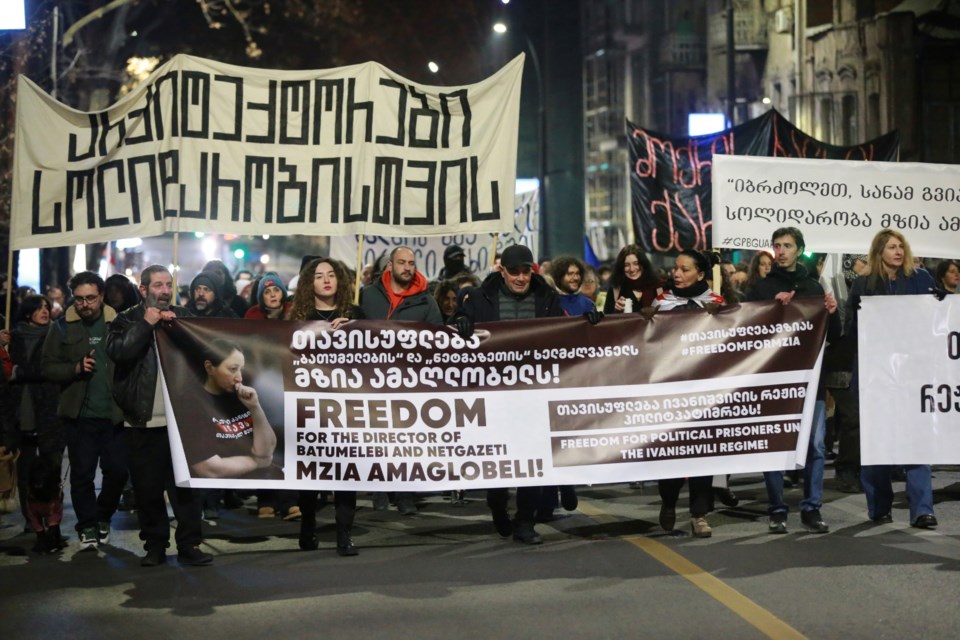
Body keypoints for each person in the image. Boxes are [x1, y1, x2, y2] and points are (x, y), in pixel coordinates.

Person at [452, 244, 600, 545]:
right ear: (502, 271)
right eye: (514, 272)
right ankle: (497, 504)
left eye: (525, 271)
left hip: (533, 393)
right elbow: (454, 330)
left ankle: (525, 521)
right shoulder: (478, 299)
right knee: (498, 459)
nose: (521, 277)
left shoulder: (547, 299)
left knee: (532, 458)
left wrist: (589, 325)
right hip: (493, 395)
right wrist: (460, 323)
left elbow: (563, 334)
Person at [106, 265, 212, 567]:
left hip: (181, 422)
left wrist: (179, 329)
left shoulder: (184, 318)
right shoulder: (126, 319)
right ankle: (154, 545)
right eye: (158, 285)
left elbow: (208, 351)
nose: (165, 291)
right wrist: (146, 324)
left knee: (186, 491)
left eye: (168, 285)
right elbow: (118, 352)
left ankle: (190, 544)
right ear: (143, 290)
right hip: (141, 421)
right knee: (147, 489)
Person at [744, 227, 839, 535]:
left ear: (800, 250)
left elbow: (832, 336)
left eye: (787, 245)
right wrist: (773, 310)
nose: (781, 250)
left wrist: (833, 314)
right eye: (776, 245)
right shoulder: (760, 289)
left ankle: (812, 509)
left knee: (816, 446)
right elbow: (746, 333)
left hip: (810, 379)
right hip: (774, 380)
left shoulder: (813, 287)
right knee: (774, 445)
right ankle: (777, 508)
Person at [846, 229, 938, 529]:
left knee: (916, 442)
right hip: (877, 375)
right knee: (877, 444)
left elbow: (938, 321)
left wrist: (941, 301)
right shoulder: (863, 284)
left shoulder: (922, 279)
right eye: (890, 247)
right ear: (879, 252)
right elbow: (852, 331)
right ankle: (880, 506)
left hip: (913, 374)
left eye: (900, 246)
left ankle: (923, 510)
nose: (897, 251)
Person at [41, 271, 128, 553]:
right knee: (82, 475)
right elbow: (48, 367)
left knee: (116, 472)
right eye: (79, 299)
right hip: (79, 416)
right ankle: (87, 524)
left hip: (114, 414)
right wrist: (74, 369)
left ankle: (103, 515)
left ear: (101, 296)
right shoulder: (62, 327)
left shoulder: (119, 323)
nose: (84, 304)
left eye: (90, 298)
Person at [288, 257, 364, 556]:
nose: (326, 280)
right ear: (310, 284)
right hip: (310, 406)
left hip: (345, 407)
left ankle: (344, 535)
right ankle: (308, 527)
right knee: (311, 474)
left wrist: (357, 328)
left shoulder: (355, 313)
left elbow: (379, 344)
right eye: (319, 276)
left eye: (331, 275)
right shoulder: (297, 317)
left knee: (346, 473)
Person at [359, 247, 443, 515]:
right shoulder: (368, 296)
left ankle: (406, 493)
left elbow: (438, 338)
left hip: (411, 379)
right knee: (378, 434)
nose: (407, 267)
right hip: (374, 377)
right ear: (390, 266)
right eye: (402, 262)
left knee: (407, 438)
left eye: (411, 263)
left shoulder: (426, 300)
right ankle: (381, 487)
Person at [651, 250, 726, 538]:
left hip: (704, 391)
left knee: (701, 454)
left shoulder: (717, 303)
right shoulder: (661, 303)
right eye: (675, 269)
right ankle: (668, 502)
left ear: (701, 274)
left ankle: (699, 514)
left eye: (684, 269)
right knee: (670, 452)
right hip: (669, 390)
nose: (677, 274)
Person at [175, 339, 278, 480]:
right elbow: (209, 469)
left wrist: (255, 408)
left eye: (241, 369)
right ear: (210, 368)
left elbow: (267, 450)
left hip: (247, 483)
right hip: (209, 492)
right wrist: (256, 462)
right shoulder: (191, 403)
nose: (239, 378)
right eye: (232, 369)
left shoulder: (243, 394)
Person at [6, 296, 64, 534]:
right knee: (25, 469)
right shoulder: (15, 337)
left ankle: (53, 520)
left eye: (46, 307)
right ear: (27, 313)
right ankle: (31, 519)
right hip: (21, 410)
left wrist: (20, 372)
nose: (44, 311)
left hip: (50, 409)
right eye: (39, 308)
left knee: (52, 467)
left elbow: (51, 370)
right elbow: (6, 369)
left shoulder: (57, 335)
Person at [243, 272, 298, 519]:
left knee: (288, 447)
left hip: (288, 389)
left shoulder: (294, 316)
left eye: (276, 290)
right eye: (267, 291)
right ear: (260, 296)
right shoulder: (251, 320)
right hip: (262, 390)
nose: (273, 295)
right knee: (265, 447)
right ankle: (265, 499)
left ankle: (288, 501)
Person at [603, 245, 663, 314]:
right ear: (621, 267)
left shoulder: (657, 287)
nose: (632, 269)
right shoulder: (615, 289)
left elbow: (665, 318)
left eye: (636, 263)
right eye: (626, 265)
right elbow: (607, 320)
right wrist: (617, 311)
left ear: (643, 264)